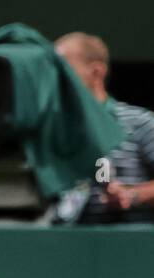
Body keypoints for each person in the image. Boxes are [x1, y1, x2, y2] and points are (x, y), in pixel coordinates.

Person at [55, 32, 154, 224]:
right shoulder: (52, 130)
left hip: (128, 245)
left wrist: (132, 195)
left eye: (64, 71)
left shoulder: (139, 122)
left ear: (96, 72)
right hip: (67, 245)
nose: (55, 80)